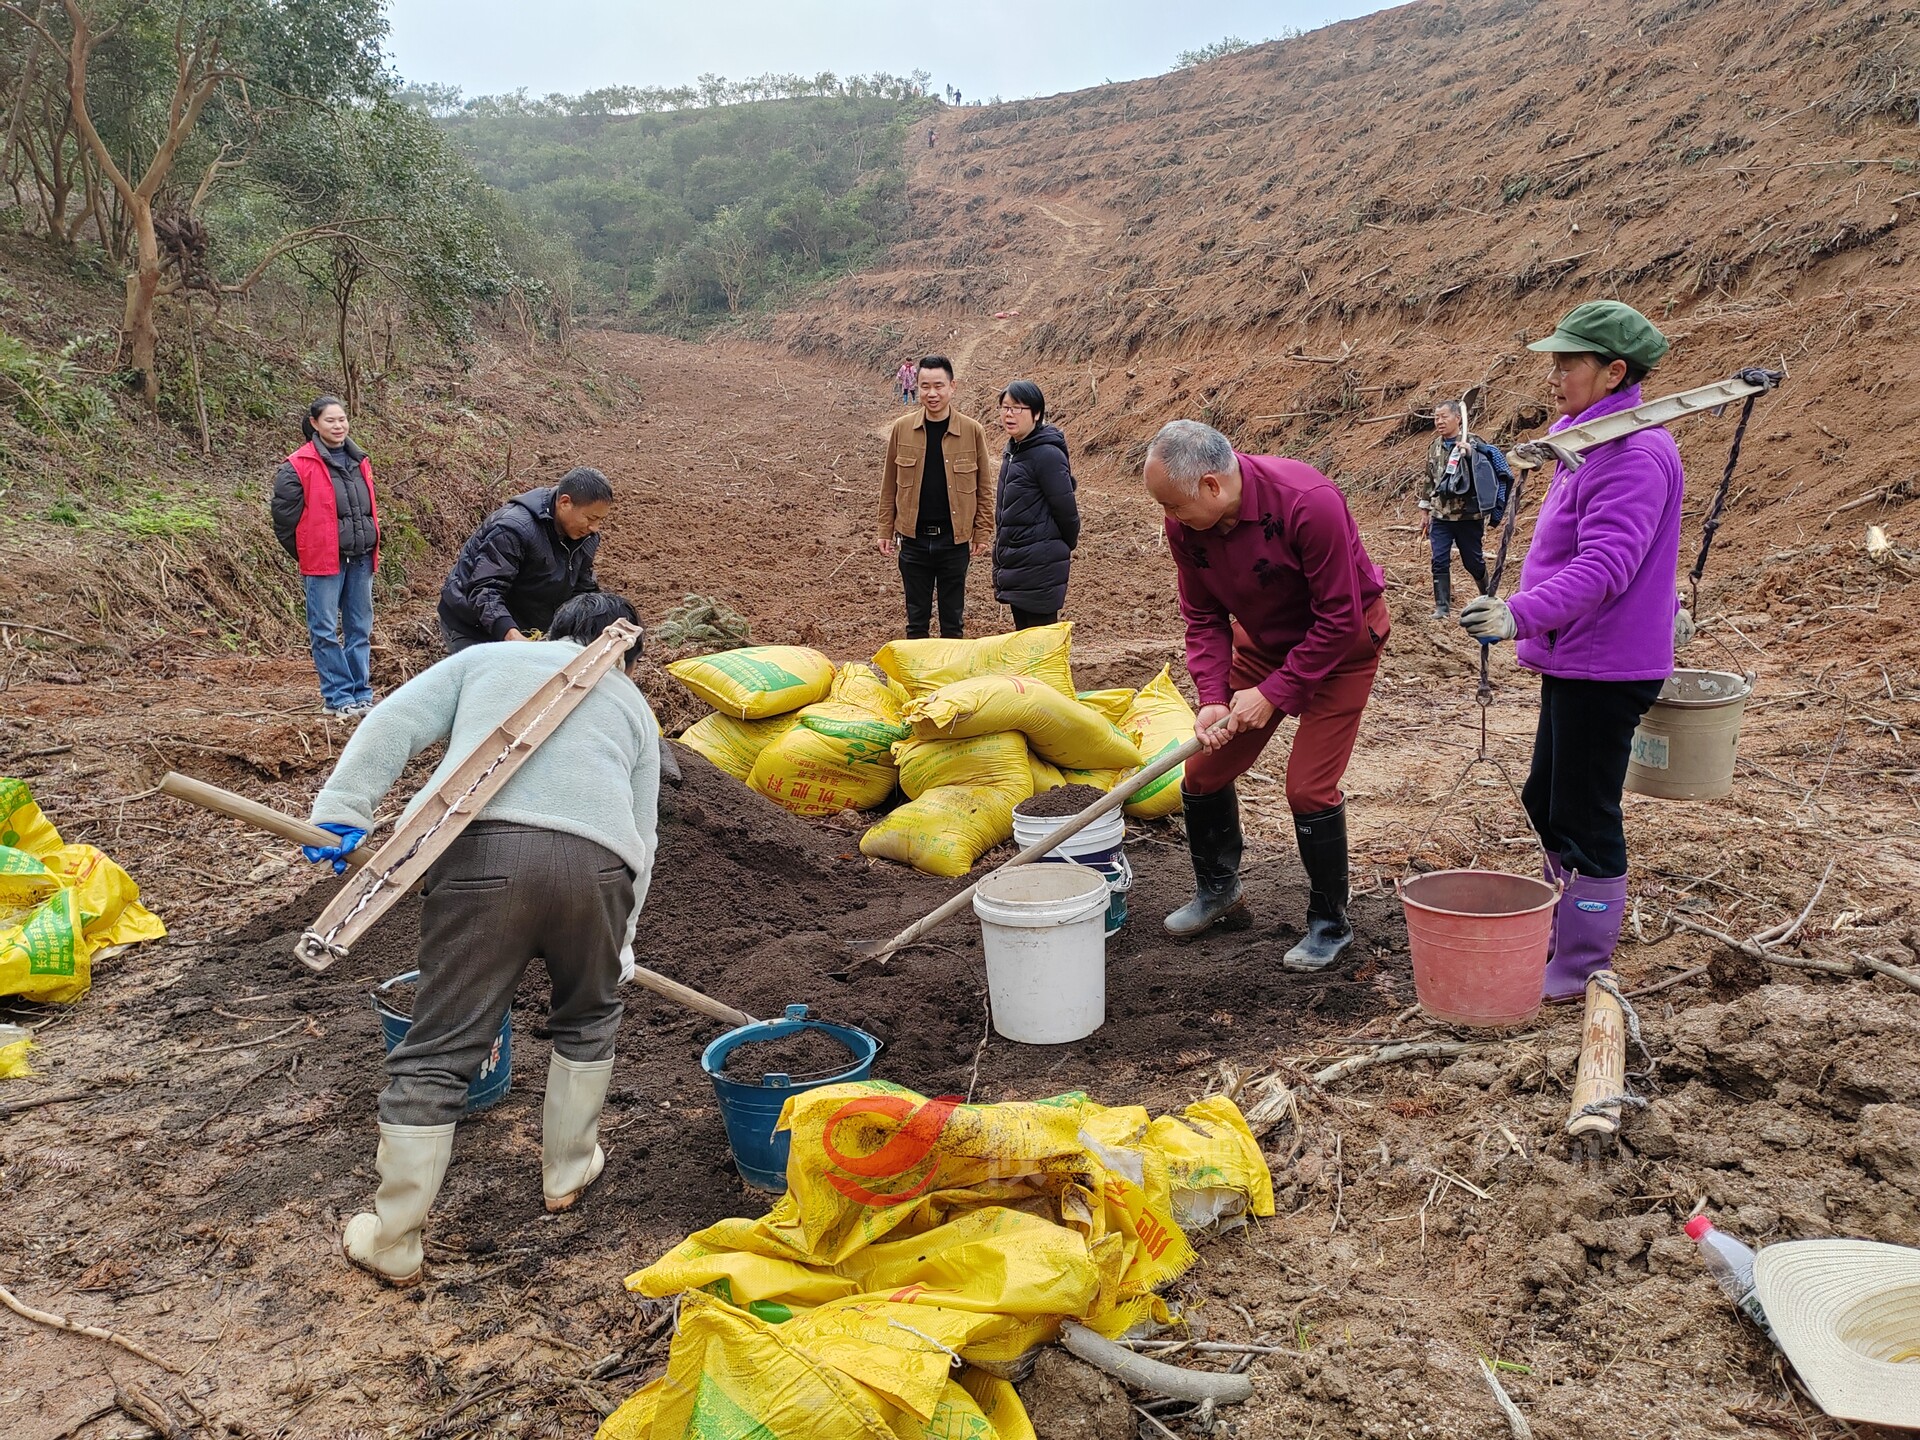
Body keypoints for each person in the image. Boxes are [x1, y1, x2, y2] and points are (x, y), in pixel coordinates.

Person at [305, 591, 660, 1285]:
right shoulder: (633, 706)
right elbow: (644, 836)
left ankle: (397, 1238)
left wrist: (343, 809)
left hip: (479, 856)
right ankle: (566, 1172)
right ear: (626, 657)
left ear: (552, 631)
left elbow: (394, 720)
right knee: (588, 1018)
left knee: (439, 1047)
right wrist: (623, 941)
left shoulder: (488, 657)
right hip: (600, 870)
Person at [1458, 300, 1683, 1002]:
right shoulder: (1588, 439)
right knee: (1544, 800)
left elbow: (1605, 567)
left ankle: (1582, 962)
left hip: (1607, 663)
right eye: (1554, 362)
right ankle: (1564, 928)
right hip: (1577, 656)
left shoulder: (1635, 455)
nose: (1555, 376)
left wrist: (1518, 614)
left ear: (1615, 371)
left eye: (1570, 363)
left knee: (1585, 815)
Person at [1143, 420, 1389, 971]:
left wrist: (1273, 694)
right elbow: (1203, 617)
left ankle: (1330, 923)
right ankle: (1219, 893)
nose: (1169, 520)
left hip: (1343, 649)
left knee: (1307, 787)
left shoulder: (1307, 502)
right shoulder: (1186, 527)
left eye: (1175, 506)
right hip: (1263, 646)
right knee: (1202, 773)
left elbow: (1338, 618)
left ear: (1211, 485)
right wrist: (1212, 696)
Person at [271, 396, 379, 719]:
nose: (339, 426)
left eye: (343, 419)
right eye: (331, 420)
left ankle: (361, 694)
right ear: (315, 423)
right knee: (325, 630)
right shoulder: (297, 466)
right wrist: (309, 550)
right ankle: (337, 697)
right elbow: (284, 522)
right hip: (324, 562)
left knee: (360, 628)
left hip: (360, 558)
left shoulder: (359, 460)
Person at [877, 356, 995, 639]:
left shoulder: (972, 430)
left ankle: (950, 680)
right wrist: (885, 528)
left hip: (954, 542)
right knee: (916, 622)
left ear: (952, 387)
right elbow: (889, 485)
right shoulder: (902, 429)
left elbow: (984, 487)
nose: (932, 393)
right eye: (925, 386)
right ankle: (917, 680)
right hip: (913, 540)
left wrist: (982, 531)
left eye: (939, 386)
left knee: (952, 623)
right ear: (916, 387)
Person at [438, 467, 611, 652]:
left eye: (600, 519)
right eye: (591, 518)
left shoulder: (585, 538)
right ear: (565, 502)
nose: (595, 527)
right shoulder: (513, 529)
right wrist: (513, 637)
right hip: (473, 625)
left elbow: (582, 587)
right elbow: (485, 591)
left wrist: (602, 621)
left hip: (528, 623)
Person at [991, 379, 1079, 629]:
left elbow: (1067, 512)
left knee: (1041, 645)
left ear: (1037, 413)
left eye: (1017, 408)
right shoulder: (1015, 449)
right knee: (1025, 640)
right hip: (1020, 564)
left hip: (1040, 566)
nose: (1009, 414)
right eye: (1005, 407)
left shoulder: (1047, 455)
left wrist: (1058, 547)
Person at [1418, 400, 1512, 620]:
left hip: (1469, 517)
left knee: (1473, 561)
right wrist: (1424, 510)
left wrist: (1471, 455)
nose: (1439, 421)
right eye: (1436, 417)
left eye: (1444, 417)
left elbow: (1487, 472)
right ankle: (1442, 607)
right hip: (1441, 514)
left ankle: (1487, 595)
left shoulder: (1474, 442)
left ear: (1457, 419)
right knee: (1439, 559)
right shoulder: (1434, 447)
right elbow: (1429, 480)